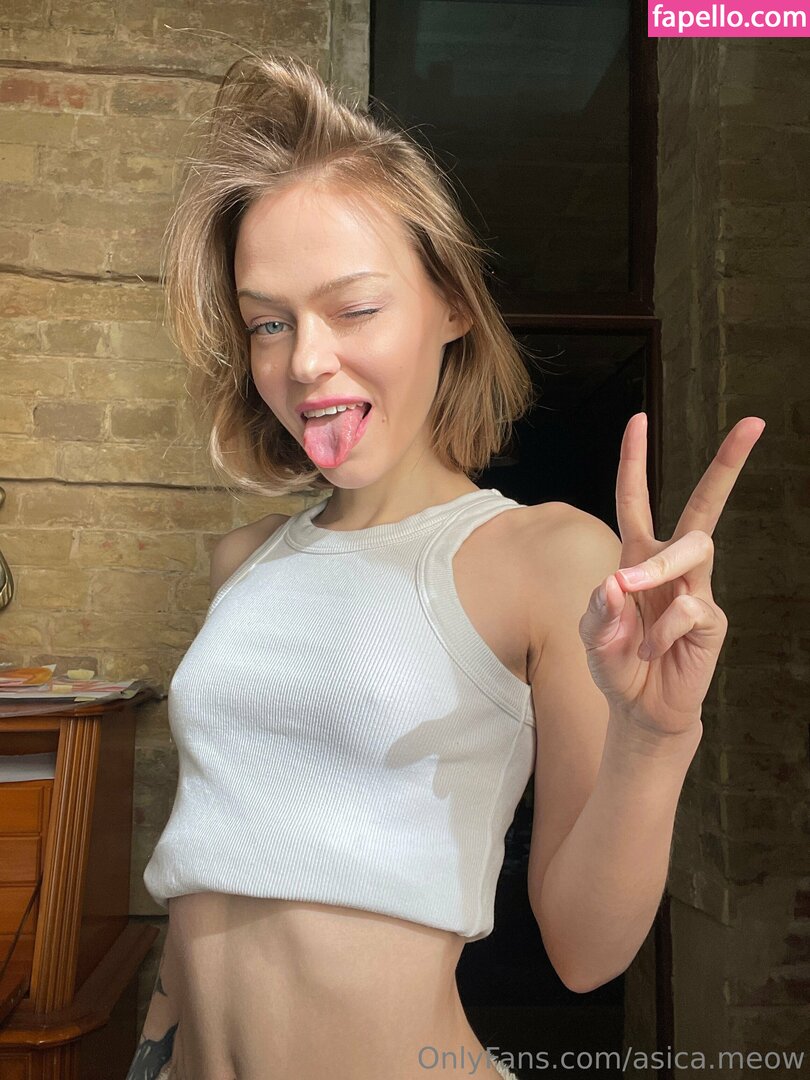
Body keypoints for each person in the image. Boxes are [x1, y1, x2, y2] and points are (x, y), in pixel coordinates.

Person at [125, 51, 764, 1080]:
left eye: (354, 308)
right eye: (268, 323)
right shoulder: (244, 563)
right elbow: (213, 852)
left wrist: (655, 739)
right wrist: (153, 1053)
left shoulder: (545, 556)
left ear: (452, 306)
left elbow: (586, 954)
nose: (305, 361)